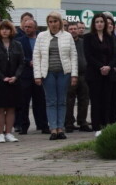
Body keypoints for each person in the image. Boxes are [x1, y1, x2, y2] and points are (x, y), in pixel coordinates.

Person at [33, 12, 78, 140]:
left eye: (55, 21)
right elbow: (36, 56)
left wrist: (74, 75)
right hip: (48, 73)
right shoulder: (41, 36)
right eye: (50, 22)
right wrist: (37, 75)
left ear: (60, 22)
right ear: (48, 23)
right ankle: (53, 128)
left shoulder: (67, 36)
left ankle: (60, 128)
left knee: (62, 101)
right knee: (51, 101)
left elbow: (73, 56)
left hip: (64, 73)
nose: (53, 24)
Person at [0, 20, 25, 142]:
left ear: (11, 31)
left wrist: (16, 76)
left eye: (7, 29)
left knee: (11, 108)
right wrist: (2, 77)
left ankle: (9, 132)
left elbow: (21, 62)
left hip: (14, 81)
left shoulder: (17, 44)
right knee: (0, 108)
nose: (5, 31)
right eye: (3, 29)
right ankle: (0, 134)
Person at [83, 15, 116, 135]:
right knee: (96, 101)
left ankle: (106, 124)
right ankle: (96, 126)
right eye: (97, 22)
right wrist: (100, 66)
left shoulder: (110, 38)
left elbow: (114, 55)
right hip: (94, 73)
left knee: (107, 100)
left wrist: (109, 66)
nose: (99, 24)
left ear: (105, 24)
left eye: (101, 22)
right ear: (93, 24)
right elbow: (88, 56)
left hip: (108, 73)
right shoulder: (88, 37)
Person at [14, 13, 48, 135]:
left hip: (40, 74)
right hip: (26, 75)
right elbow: (19, 57)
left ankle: (43, 125)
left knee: (40, 101)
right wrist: (29, 62)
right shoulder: (19, 41)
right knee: (24, 102)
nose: (27, 29)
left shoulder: (41, 39)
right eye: (25, 26)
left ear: (35, 28)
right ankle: (24, 126)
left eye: (29, 27)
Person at [64, 21, 90, 133]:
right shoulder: (65, 43)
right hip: (69, 75)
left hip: (84, 75)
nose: (73, 30)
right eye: (71, 29)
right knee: (69, 100)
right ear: (67, 30)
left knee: (84, 100)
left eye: (75, 28)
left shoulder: (84, 42)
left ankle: (82, 122)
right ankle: (69, 123)